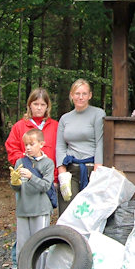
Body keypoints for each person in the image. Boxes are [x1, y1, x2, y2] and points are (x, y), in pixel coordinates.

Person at [4, 87, 58, 269]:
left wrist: (56, 175)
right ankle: (18, 264)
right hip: (25, 180)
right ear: (29, 105)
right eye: (35, 104)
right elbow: (11, 147)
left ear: (47, 107)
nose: (39, 108)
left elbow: (57, 150)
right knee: (23, 228)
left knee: (41, 224)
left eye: (42, 104)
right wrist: (23, 162)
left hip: (47, 178)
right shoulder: (20, 126)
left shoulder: (54, 126)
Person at [7, 129, 54, 269]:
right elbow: (17, 188)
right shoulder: (20, 162)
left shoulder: (48, 163)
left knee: (40, 243)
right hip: (23, 209)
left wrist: (31, 176)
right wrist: (14, 182)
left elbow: (46, 186)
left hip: (40, 209)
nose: (28, 147)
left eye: (31, 144)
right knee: (22, 244)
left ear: (41, 144)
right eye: (26, 144)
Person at [56, 79, 106, 213]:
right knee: (67, 209)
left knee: (89, 211)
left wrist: (97, 171)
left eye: (84, 93)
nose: (80, 97)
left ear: (90, 95)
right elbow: (60, 146)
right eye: (77, 93)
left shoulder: (98, 114)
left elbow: (100, 142)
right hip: (71, 169)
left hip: (90, 168)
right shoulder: (65, 118)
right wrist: (62, 175)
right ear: (71, 95)